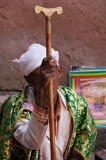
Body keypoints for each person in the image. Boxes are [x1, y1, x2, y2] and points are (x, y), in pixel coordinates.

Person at [0, 43, 97, 160]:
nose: (46, 82)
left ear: (60, 71)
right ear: (28, 80)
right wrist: (41, 90)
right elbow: (32, 142)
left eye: (51, 75)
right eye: (38, 78)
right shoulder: (15, 108)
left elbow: (86, 132)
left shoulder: (75, 101)